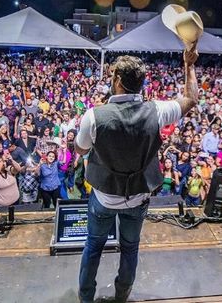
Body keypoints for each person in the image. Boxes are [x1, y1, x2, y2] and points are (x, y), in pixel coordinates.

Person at [75, 30, 199, 303]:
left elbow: (80, 149)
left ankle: (86, 299)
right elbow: (191, 99)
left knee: (93, 246)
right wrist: (189, 65)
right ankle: (122, 297)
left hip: (104, 198)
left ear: (117, 80)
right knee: (129, 249)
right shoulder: (157, 111)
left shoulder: (94, 116)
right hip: (138, 197)